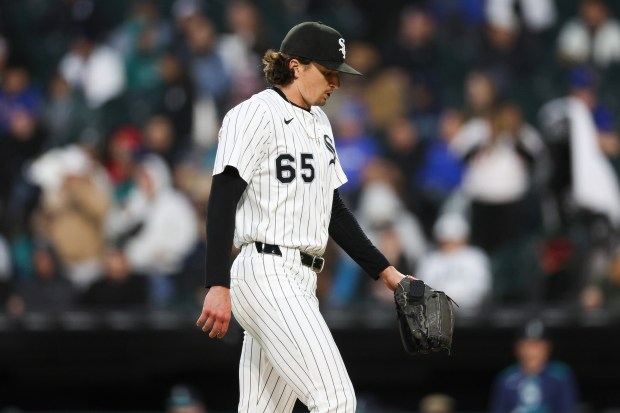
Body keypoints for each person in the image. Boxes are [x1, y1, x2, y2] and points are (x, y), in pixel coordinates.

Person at [195, 22, 410, 413]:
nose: (336, 84)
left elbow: (333, 210)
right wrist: (216, 283)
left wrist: (387, 273)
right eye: (329, 73)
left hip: (300, 279)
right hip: (265, 270)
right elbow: (222, 197)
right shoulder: (254, 113)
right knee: (336, 399)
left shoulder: (319, 123)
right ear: (296, 66)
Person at [490, 318, 578, 413]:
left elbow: (567, 409)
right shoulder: (506, 379)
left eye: (538, 346)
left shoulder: (560, 376)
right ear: (518, 348)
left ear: (548, 347)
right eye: (528, 345)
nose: (532, 352)